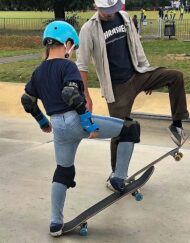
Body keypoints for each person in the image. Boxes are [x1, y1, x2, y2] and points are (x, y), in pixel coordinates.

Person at [21, 20, 140, 237]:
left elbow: (27, 100)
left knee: (63, 171)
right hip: (75, 121)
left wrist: (42, 121)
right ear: (66, 43)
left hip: (58, 127)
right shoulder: (68, 66)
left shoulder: (38, 72)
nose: (72, 51)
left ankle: (56, 223)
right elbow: (71, 95)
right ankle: (118, 178)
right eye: (72, 46)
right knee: (130, 128)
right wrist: (88, 123)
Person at [76, 0, 189, 189]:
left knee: (175, 77)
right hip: (117, 87)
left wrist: (146, 72)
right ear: (97, 7)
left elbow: (136, 46)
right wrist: (85, 95)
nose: (110, 14)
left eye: (113, 9)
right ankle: (116, 175)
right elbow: (82, 65)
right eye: (106, 11)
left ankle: (176, 124)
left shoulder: (125, 18)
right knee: (119, 130)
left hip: (137, 74)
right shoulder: (89, 29)